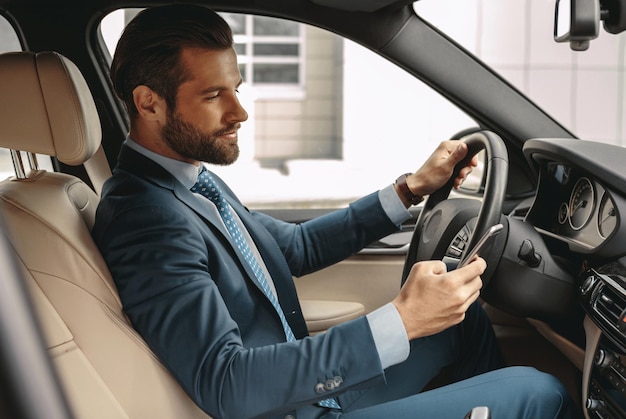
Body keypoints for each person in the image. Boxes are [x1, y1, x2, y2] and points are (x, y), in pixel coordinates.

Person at [92, 5, 577, 419]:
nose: (240, 112)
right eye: (214, 95)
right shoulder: (145, 217)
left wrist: (410, 189)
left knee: (460, 313)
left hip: (303, 393)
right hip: (282, 405)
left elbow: (291, 248)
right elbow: (227, 384)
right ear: (148, 103)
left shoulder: (190, 181)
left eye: (236, 88)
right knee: (540, 390)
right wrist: (402, 320)